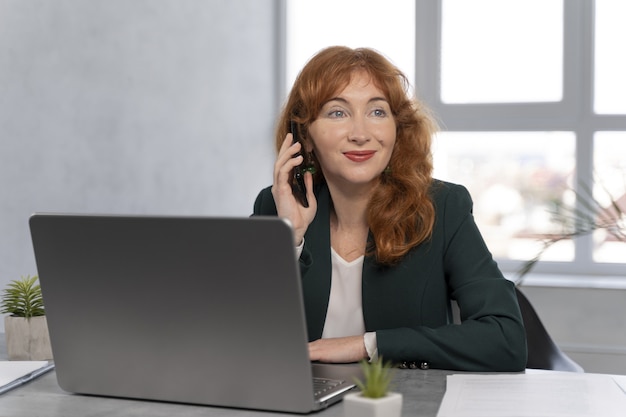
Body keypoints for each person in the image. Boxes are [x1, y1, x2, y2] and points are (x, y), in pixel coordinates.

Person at [253, 46, 527, 372]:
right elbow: (237, 337)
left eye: (378, 112)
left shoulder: (442, 208)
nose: (360, 134)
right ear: (305, 137)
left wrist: (368, 344)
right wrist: (290, 239)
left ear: (397, 129)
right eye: (337, 113)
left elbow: (506, 339)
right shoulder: (276, 206)